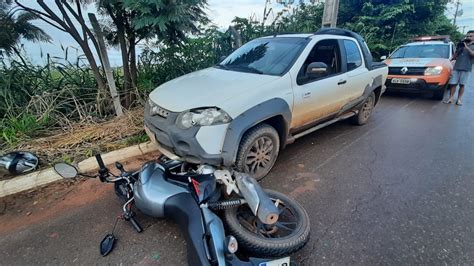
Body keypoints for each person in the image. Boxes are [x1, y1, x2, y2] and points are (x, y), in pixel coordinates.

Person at [444, 30, 474, 105]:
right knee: (453, 84)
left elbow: (473, 54)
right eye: (467, 36)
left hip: (466, 68)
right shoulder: (461, 44)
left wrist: (466, 47)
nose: (468, 37)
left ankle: (459, 99)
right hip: (457, 67)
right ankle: (450, 98)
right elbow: (456, 55)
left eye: (470, 36)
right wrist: (449, 60)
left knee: (462, 84)